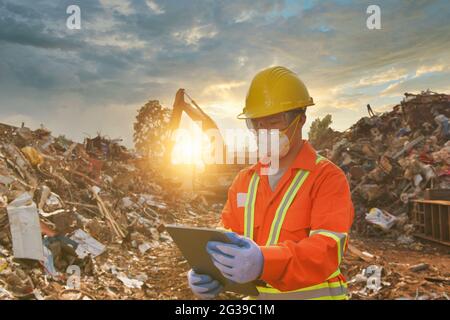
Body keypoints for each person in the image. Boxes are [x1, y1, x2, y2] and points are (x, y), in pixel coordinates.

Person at [187, 66, 354, 300]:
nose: (263, 131)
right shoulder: (244, 181)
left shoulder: (327, 177)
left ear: (301, 120)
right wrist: (209, 270)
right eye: (257, 123)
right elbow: (225, 236)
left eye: (274, 121)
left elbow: (327, 251)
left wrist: (264, 262)